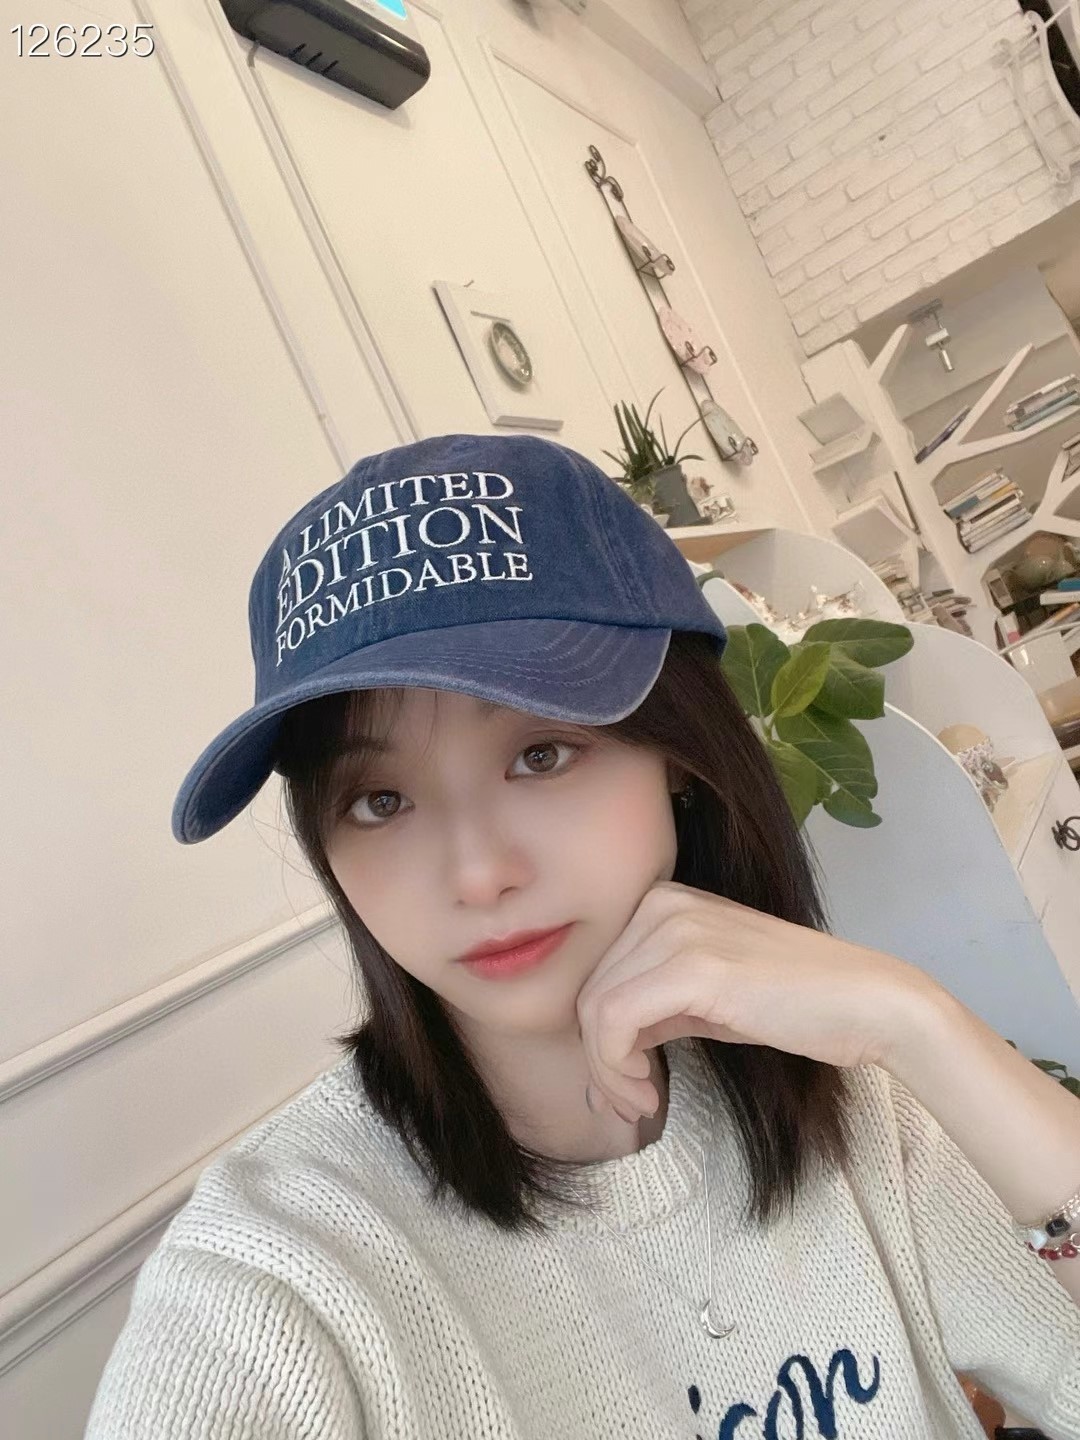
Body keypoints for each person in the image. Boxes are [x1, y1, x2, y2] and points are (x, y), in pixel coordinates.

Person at [86, 434, 1080, 1439]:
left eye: (542, 754)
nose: (477, 874)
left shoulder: (842, 1093)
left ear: (678, 753)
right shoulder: (278, 1267)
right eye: (380, 800)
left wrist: (917, 1021)